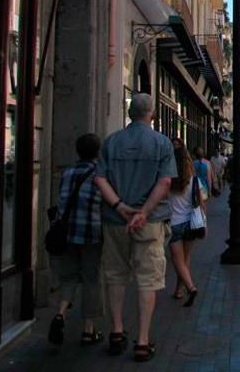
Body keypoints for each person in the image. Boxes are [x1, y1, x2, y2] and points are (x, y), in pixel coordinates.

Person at [94, 93, 176, 362]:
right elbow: (165, 182)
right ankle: (142, 340)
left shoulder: (111, 142)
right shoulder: (162, 144)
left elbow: (100, 179)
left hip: (115, 220)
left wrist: (119, 206)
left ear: (130, 113)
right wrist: (143, 213)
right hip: (148, 223)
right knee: (147, 279)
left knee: (115, 274)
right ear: (151, 113)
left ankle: (116, 331)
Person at [48, 134, 105, 347]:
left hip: (68, 231)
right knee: (91, 279)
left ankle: (60, 313)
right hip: (91, 233)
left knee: (69, 276)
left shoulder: (68, 172)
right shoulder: (99, 174)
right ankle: (89, 329)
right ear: (97, 152)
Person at [168, 146, 205, 306]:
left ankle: (190, 287)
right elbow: (201, 201)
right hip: (190, 223)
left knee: (177, 260)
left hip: (174, 224)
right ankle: (178, 289)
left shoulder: (168, 180)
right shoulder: (194, 180)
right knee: (186, 259)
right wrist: (204, 222)